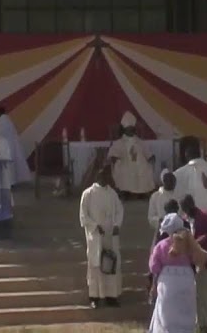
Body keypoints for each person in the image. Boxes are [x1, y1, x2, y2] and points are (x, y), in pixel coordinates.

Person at [148, 213, 206, 333]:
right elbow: (198, 259)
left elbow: (154, 267)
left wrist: (153, 285)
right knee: (186, 311)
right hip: (187, 280)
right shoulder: (189, 243)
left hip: (167, 280)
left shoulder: (161, 245)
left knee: (166, 313)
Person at [78, 168, 123, 309]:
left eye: (107, 177)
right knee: (95, 264)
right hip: (96, 236)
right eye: (103, 176)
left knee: (111, 263)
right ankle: (94, 297)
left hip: (110, 235)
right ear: (98, 177)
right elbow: (83, 216)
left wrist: (117, 224)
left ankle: (111, 296)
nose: (106, 179)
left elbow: (119, 210)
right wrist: (95, 226)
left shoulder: (112, 193)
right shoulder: (88, 194)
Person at [180, 194, 207, 332]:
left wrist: (197, 242)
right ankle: (200, 324)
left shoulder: (205, 214)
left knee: (203, 292)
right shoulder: (184, 220)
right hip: (192, 262)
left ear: (192, 204)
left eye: (187, 206)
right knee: (195, 294)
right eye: (184, 208)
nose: (186, 210)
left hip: (206, 260)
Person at [107, 112, 155, 198]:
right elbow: (113, 154)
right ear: (125, 130)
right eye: (129, 129)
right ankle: (125, 192)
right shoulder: (119, 142)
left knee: (145, 169)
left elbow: (147, 152)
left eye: (132, 129)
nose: (131, 131)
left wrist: (151, 157)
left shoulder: (139, 141)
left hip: (140, 164)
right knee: (121, 168)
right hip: (125, 163)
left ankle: (142, 192)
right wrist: (115, 158)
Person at [0, 107, 33, 185]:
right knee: (10, 166)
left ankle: (9, 183)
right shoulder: (9, 120)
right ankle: (11, 182)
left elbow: (0, 135)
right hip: (12, 146)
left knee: (7, 166)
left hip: (6, 147)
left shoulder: (2, 121)